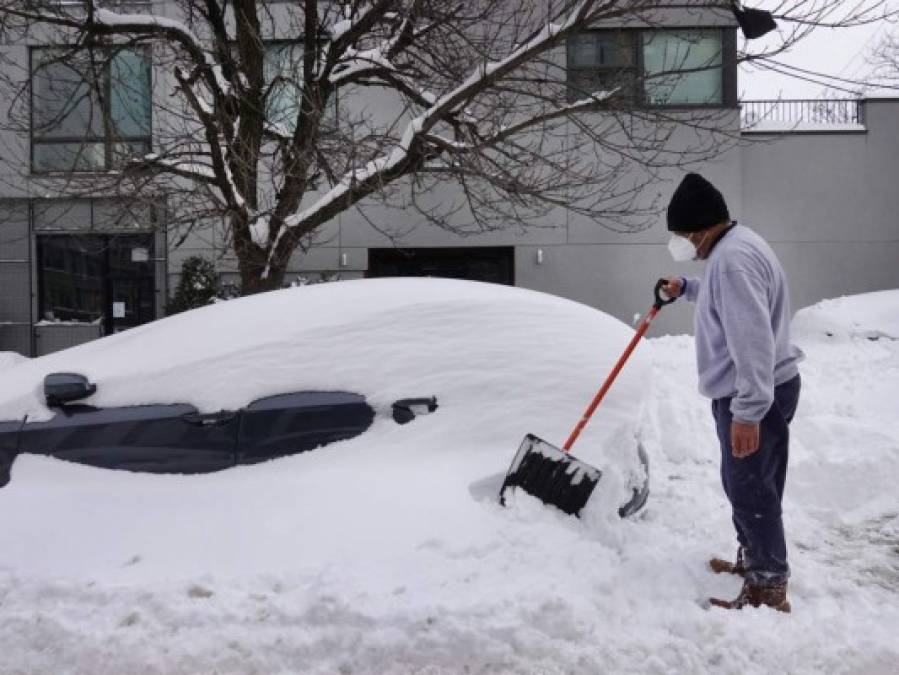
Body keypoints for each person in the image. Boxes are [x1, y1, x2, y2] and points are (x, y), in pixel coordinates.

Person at [661, 173, 804, 613]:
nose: (682, 244)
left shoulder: (733, 261)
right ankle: (754, 559)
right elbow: (729, 301)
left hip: (753, 393)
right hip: (758, 390)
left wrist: (748, 412)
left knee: (750, 489)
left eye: (683, 236)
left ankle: (767, 585)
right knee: (746, 482)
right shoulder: (734, 248)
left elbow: (752, 340)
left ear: (702, 229)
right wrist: (687, 288)